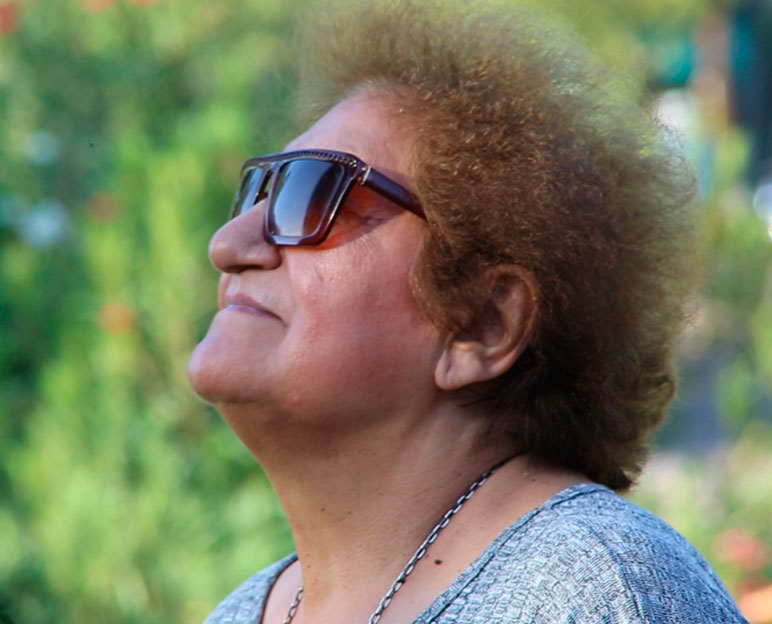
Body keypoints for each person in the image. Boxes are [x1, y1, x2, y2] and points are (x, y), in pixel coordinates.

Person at [187, 1, 748, 622]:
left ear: (482, 324)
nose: (228, 243)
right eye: (258, 193)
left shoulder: (591, 590)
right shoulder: (242, 612)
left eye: (314, 193)